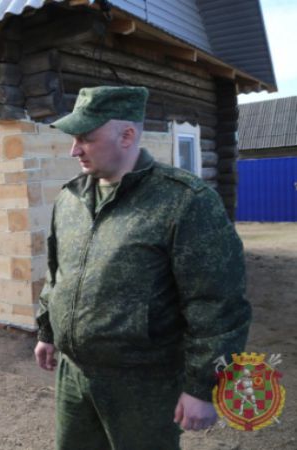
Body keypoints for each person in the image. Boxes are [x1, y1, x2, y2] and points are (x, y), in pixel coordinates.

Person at [34, 86, 251, 449]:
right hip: (74, 376)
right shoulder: (70, 198)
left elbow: (217, 303)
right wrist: (46, 329)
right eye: (74, 138)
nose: (75, 150)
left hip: (144, 384)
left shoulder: (184, 201)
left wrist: (203, 387)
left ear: (127, 135)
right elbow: (57, 273)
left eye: (86, 137)